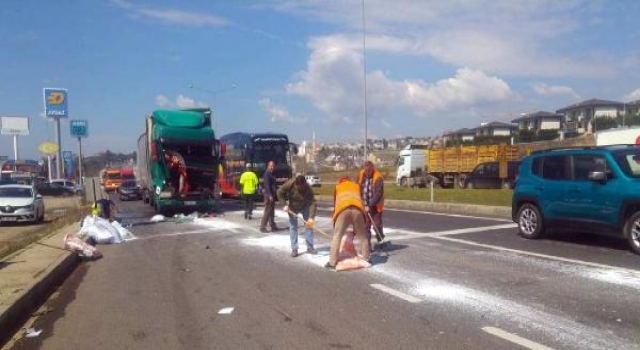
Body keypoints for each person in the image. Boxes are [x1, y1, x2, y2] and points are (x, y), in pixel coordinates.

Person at [325, 176, 370, 270]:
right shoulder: (356, 186)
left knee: (337, 236)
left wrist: (335, 223)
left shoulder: (338, 187)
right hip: (358, 210)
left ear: (341, 181)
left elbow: (335, 204)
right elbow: (361, 199)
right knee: (363, 236)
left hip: (343, 210)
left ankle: (332, 263)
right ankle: (366, 258)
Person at [277, 175, 317, 257]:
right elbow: (280, 192)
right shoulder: (290, 184)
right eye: (299, 187)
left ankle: (310, 247)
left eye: (302, 187)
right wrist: (284, 205)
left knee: (309, 225)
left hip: (305, 206)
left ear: (305, 184)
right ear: (296, 184)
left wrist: (311, 218)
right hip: (293, 207)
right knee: (293, 227)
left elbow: (313, 203)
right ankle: (294, 249)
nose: (301, 189)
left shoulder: (308, 188)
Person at [358, 160, 388, 250]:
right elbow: (357, 186)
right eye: (366, 171)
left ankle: (381, 240)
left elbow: (378, 194)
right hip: (364, 204)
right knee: (366, 226)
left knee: (377, 225)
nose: (367, 173)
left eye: (369, 171)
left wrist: (370, 205)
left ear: (373, 169)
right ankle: (367, 247)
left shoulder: (378, 177)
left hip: (375, 206)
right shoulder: (361, 175)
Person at [260, 160, 282, 232]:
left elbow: (274, 185)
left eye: (273, 166)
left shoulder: (272, 174)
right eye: (271, 166)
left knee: (272, 211)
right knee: (267, 211)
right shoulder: (267, 174)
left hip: (272, 194)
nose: (272, 167)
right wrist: (269, 195)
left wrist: (277, 191)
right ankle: (262, 227)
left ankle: (272, 226)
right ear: (268, 166)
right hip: (268, 195)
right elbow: (266, 186)